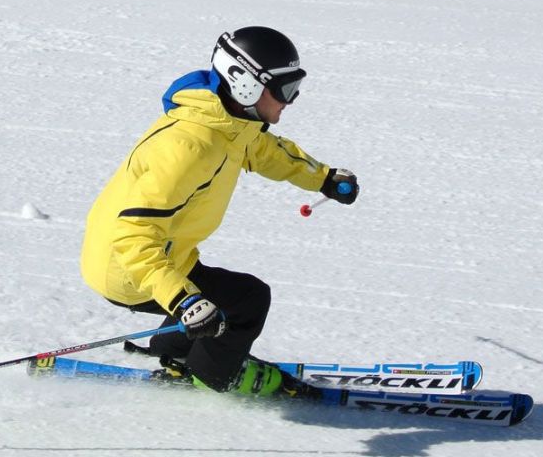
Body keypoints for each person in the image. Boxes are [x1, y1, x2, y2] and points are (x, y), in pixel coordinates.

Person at [80, 26, 359, 397]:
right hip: (128, 269)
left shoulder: (228, 124)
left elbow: (264, 151)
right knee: (247, 300)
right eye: (284, 89)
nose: (290, 101)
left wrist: (322, 177)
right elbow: (133, 237)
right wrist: (184, 301)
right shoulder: (189, 149)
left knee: (215, 294)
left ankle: (173, 351)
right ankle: (211, 375)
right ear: (246, 84)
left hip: (162, 256)